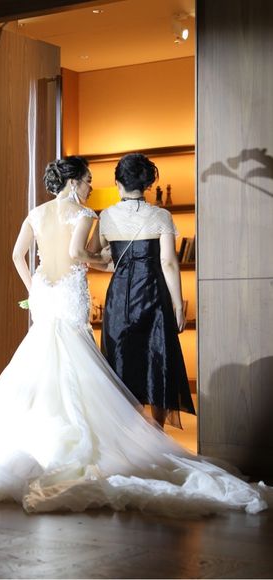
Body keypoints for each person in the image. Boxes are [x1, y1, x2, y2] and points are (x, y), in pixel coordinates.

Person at [0, 156, 270, 517]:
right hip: (86, 294)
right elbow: (88, 254)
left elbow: (18, 255)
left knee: (43, 365)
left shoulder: (45, 213)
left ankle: (44, 436)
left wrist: (36, 289)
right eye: (87, 181)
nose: (90, 187)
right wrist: (107, 265)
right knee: (82, 361)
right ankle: (91, 435)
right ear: (73, 182)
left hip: (49, 293)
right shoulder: (93, 214)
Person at [89, 153, 195, 429]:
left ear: (118, 183)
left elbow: (92, 256)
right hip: (154, 296)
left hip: (119, 298)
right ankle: (157, 430)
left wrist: (114, 266)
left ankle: (131, 431)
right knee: (158, 358)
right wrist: (178, 306)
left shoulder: (106, 216)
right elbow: (168, 262)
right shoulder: (161, 216)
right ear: (147, 184)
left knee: (122, 360)